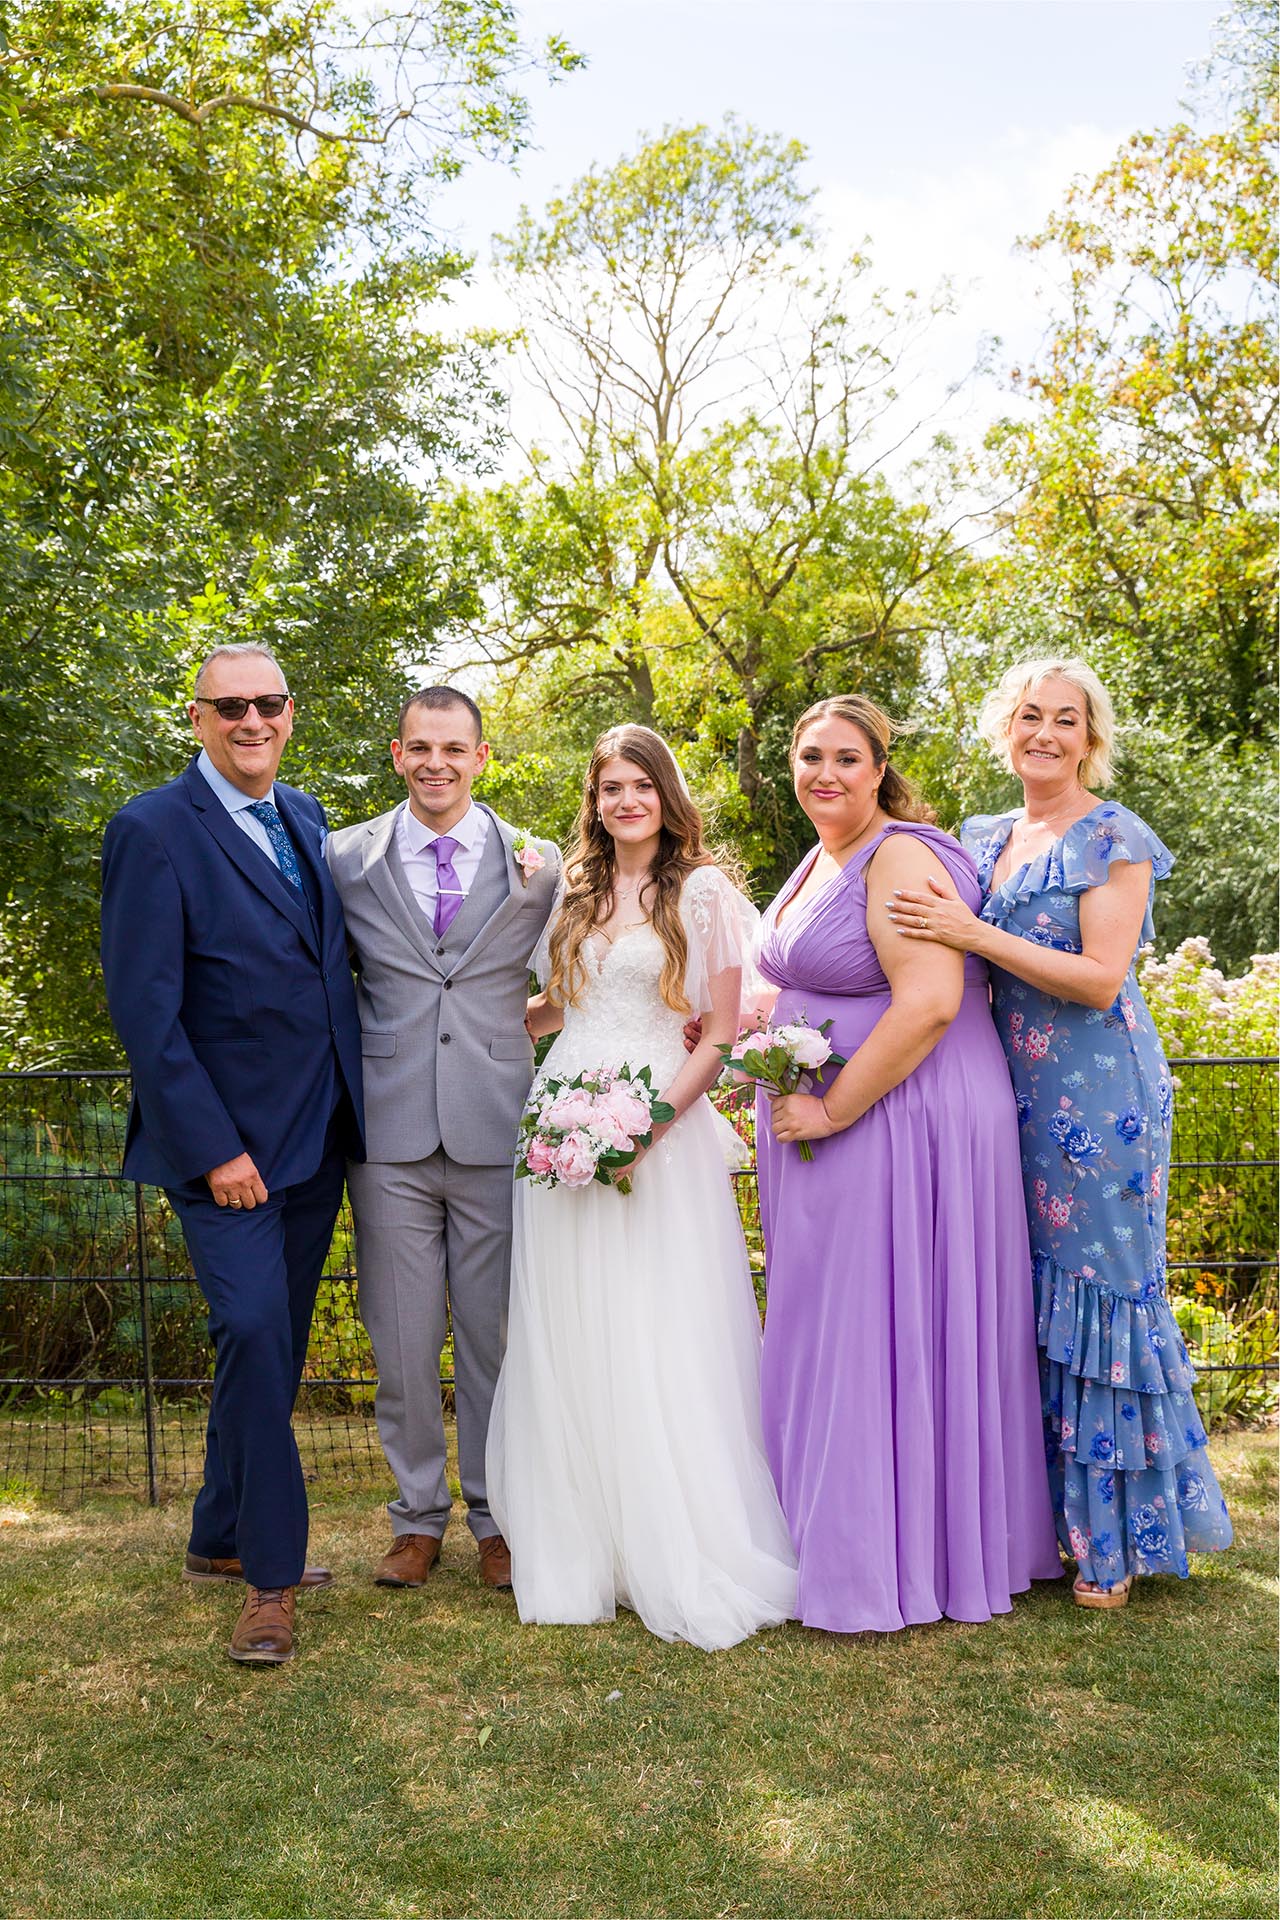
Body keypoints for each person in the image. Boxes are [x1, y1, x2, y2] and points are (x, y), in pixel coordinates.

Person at [886, 658, 1232, 1606]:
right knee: (1024, 1297)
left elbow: (1098, 978)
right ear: (1006, 728)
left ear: (1091, 739)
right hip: (1009, 1092)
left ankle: (1115, 1543)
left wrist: (972, 934)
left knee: (1104, 1296)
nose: (1045, 733)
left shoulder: (1114, 837)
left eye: (1065, 721)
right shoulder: (983, 835)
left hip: (1099, 1099)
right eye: (1030, 716)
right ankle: (1040, 1524)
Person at [486, 724, 797, 1651]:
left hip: (656, 1126)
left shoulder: (702, 893)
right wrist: (468, 1012)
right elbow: (556, 1010)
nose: (625, 801)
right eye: (610, 787)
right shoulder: (572, 892)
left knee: (655, 1324)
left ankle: (677, 1537)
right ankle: (587, 1542)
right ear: (594, 798)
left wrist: (649, 1126)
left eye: (641, 785)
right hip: (560, 1121)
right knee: (570, 1321)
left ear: (666, 795)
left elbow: (722, 1033)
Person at [756, 695, 1062, 1635]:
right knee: (834, 1320)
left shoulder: (899, 855)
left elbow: (929, 1002)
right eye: (810, 756)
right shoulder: (823, 854)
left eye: (848, 759)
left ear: (880, 766)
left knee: (871, 1324)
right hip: (833, 1114)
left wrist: (834, 1107)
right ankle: (832, 1532)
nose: (825, 774)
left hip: (895, 1117)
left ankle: (881, 1559)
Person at [100, 644, 365, 1665]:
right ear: (199, 719)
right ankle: (268, 1578)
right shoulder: (153, 830)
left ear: (290, 713)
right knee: (253, 1332)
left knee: (268, 1347)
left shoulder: (305, 817)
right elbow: (147, 1013)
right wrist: (214, 1149)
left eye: (269, 703)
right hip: (226, 1153)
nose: (252, 720)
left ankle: (214, 1534)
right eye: (231, 706)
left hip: (318, 1139)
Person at [325, 688, 560, 1592]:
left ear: (482, 756)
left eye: (454, 749)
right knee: (401, 1340)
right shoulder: (345, 856)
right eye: (420, 747)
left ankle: (498, 1517)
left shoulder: (538, 865)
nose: (437, 763)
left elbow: (573, 977)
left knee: (497, 1340)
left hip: (497, 1125)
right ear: (396, 754)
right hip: (385, 1133)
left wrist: (510, 1031)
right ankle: (415, 1519)